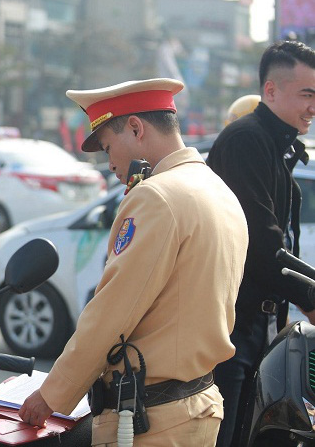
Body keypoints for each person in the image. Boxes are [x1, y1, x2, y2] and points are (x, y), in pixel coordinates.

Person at [18, 78, 249, 446]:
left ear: (136, 128)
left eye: (109, 147)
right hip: (196, 405)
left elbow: (113, 310)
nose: (110, 164)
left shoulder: (156, 196)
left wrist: (52, 394)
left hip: (153, 421)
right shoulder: (215, 188)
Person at [206, 40, 315, 447]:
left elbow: (280, 245)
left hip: (260, 325)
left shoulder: (277, 145)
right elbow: (260, 243)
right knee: (227, 435)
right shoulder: (245, 141)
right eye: (307, 94)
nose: (313, 106)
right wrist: (310, 296)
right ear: (271, 91)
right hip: (232, 329)